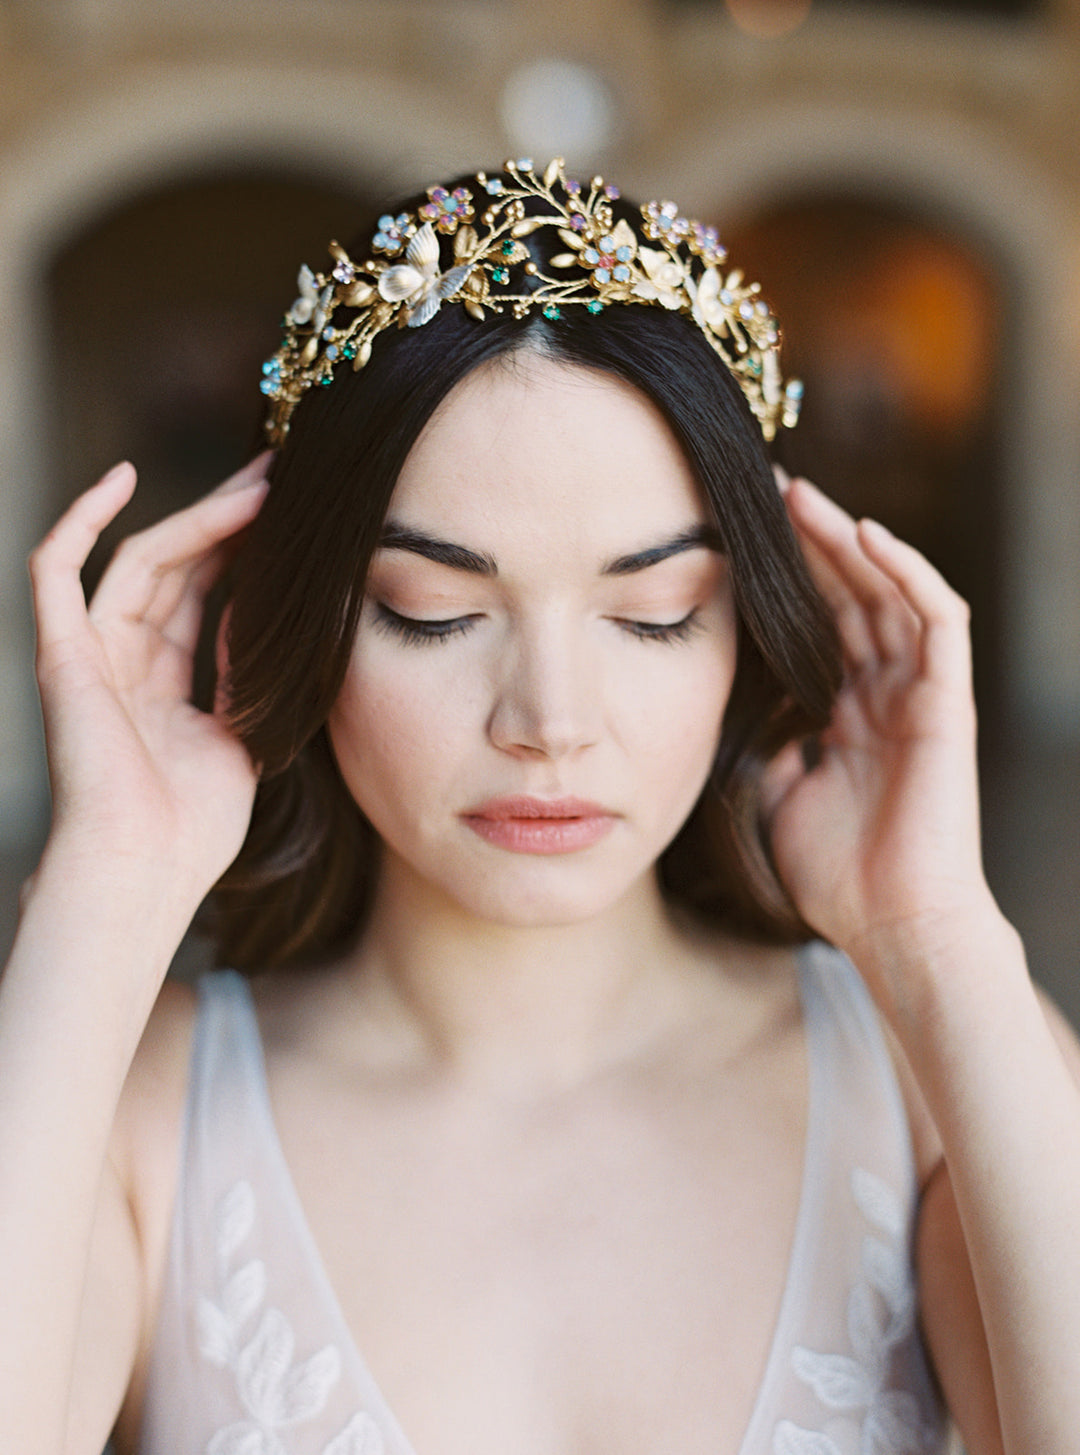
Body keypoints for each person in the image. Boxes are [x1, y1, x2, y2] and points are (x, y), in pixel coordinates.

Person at [1, 158, 1078, 1455]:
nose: (550, 719)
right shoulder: (142, 1111)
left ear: (747, 626)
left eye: (653, 615)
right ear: (313, 616)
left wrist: (936, 939)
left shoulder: (940, 1080)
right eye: (433, 612)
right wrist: (107, 891)